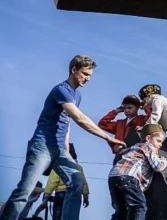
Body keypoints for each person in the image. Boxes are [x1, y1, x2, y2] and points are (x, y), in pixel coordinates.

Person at [0, 55, 126, 220]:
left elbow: (67, 123)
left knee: (77, 183)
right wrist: (107, 138)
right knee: (25, 189)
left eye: (90, 76)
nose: (87, 79)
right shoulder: (61, 89)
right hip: (42, 146)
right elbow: (79, 118)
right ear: (74, 70)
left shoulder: (77, 95)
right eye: (85, 74)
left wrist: (66, 147)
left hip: (59, 150)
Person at [108, 124, 167, 220]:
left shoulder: (134, 147)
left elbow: (122, 153)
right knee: (139, 206)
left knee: (121, 211)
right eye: (158, 141)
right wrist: (163, 162)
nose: (160, 145)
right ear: (148, 138)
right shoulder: (149, 147)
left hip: (113, 177)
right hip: (129, 177)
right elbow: (157, 167)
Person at [38, 144, 90, 220]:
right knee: (72, 216)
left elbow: (52, 182)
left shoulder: (59, 165)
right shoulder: (78, 167)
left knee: (57, 217)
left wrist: (45, 198)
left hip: (60, 194)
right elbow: (83, 182)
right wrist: (86, 197)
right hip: (75, 194)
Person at [98, 95, 150, 160]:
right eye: (124, 108)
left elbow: (152, 118)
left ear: (137, 108)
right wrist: (115, 111)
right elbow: (102, 124)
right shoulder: (119, 123)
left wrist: (145, 106)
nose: (126, 110)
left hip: (136, 154)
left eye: (129, 108)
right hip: (119, 154)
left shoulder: (142, 120)